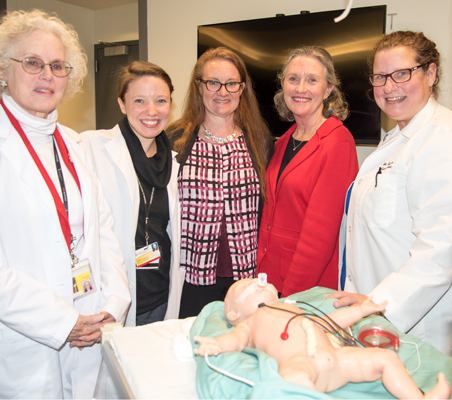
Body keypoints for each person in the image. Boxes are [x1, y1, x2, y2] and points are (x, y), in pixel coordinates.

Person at [0, 10, 131, 398]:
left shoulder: (73, 143)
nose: (47, 75)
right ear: (2, 69)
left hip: (87, 329)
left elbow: (103, 232)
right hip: (14, 344)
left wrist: (113, 306)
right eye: (32, 63)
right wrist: (61, 321)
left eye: (57, 65)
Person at [328, 31, 452, 356]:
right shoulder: (397, 137)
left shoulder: (441, 140)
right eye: (380, 77)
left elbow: (441, 251)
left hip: (410, 327)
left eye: (402, 74)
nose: (388, 87)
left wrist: (380, 305)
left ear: (431, 73)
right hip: (374, 320)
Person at [194, 277, 451, 399]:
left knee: (384, 359)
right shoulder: (251, 323)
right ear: (232, 312)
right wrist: (218, 343)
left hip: (338, 360)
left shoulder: (296, 308)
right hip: (302, 362)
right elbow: (235, 340)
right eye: (247, 285)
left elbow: (329, 323)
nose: (259, 282)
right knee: (291, 380)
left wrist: (358, 311)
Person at [168, 47, 273, 318]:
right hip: (190, 278)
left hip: (245, 278)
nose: (222, 92)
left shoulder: (260, 141)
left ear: (242, 88)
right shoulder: (174, 139)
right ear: (199, 87)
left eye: (231, 83)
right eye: (213, 83)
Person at [82, 61, 183, 327]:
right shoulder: (90, 148)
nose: (152, 111)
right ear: (122, 104)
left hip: (160, 298)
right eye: (139, 100)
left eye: (161, 100)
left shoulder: (174, 164)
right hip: (111, 300)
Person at [257, 46, 358, 297]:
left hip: (304, 288)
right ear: (283, 85)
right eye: (293, 79)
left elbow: (319, 239)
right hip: (269, 280)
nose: (301, 88)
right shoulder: (284, 141)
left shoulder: (338, 143)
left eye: (312, 80)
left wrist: (292, 297)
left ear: (328, 90)